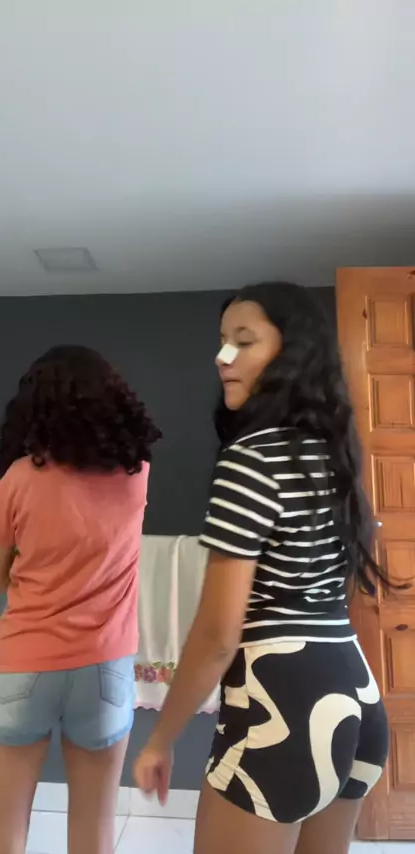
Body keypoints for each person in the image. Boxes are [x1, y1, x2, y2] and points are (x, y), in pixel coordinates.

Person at [133, 283, 391, 854]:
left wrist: (160, 738)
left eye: (243, 341)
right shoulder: (335, 456)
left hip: (282, 708)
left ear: (292, 352)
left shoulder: (251, 459)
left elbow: (218, 634)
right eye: (222, 341)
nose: (222, 357)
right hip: (357, 699)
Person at [0, 345, 160, 854]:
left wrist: (0, 508)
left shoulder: (18, 480)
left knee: (1, 835)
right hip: (104, 669)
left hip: (22, 667)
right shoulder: (137, 473)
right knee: (95, 831)